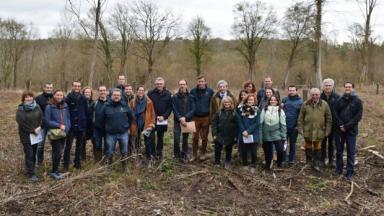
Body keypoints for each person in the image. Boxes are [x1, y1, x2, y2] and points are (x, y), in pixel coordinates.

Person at [297, 88, 332, 171]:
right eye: (313, 94)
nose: (315, 96)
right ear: (310, 95)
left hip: (319, 130)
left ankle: (316, 163)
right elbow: (300, 117)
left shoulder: (324, 104)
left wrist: (327, 130)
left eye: (316, 95)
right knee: (308, 146)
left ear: (319, 95)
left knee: (318, 146)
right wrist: (300, 128)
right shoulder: (305, 104)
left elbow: (329, 118)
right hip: (307, 129)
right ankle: (309, 162)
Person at [334, 82, 363, 181]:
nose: (347, 88)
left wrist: (346, 126)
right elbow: (335, 113)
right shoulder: (339, 100)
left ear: (353, 88)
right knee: (339, 151)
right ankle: (339, 170)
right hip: (340, 130)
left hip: (351, 131)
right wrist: (341, 125)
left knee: (351, 152)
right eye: (346, 87)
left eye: (349, 87)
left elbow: (358, 116)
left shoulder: (358, 101)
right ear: (344, 88)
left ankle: (350, 173)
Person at [103, 88, 134, 173]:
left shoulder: (125, 105)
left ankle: (125, 167)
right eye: (115, 95)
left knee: (124, 151)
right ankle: (109, 167)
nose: (116, 96)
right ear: (111, 96)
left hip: (123, 133)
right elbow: (102, 119)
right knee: (109, 151)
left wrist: (126, 126)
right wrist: (107, 128)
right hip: (110, 134)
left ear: (121, 96)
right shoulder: (106, 106)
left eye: (118, 95)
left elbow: (131, 117)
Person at [16, 91, 44, 181]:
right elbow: (22, 123)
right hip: (26, 136)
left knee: (34, 152)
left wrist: (40, 127)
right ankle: (30, 173)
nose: (28, 99)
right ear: (23, 99)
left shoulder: (37, 106)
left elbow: (41, 118)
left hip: (36, 135)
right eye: (26, 97)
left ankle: (32, 168)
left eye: (30, 97)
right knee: (29, 154)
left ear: (33, 98)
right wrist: (33, 130)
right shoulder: (21, 109)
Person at [45, 90, 71, 180]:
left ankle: (56, 170)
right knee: (57, 152)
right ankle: (54, 171)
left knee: (60, 151)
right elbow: (47, 121)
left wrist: (68, 127)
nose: (59, 96)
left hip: (64, 133)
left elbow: (68, 117)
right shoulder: (49, 107)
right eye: (57, 95)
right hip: (55, 133)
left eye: (61, 95)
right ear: (54, 96)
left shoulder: (65, 106)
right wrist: (59, 125)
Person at [130, 86, 156, 169]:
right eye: (139, 90)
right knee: (137, 142)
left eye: (142, 90)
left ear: (144, 92)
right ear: (136, 91)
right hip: (136, 124)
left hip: (146, 124)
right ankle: (139, 158)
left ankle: (149, 159)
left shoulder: (149, 102)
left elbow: (152, 114)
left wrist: (152, 124)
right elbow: (129, 113)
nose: (141, 92)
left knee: (147, 142)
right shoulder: (132, 102)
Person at [64, 81, 88, 170]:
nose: (77, 87)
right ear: (72, 86)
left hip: (81, 125)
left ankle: (77, 164)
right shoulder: (68, 98)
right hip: (70, 126)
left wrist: (84, 121)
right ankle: (66, 164)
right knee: (68, 146)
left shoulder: (83, 98)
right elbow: (65, 112)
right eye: (75, 86)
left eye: (79, 86)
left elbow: (86, 111)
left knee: (79, 146)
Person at [147, 77, 172, 161]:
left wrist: (164, 116)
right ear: (155, 84)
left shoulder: (168, 94)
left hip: (163, 120)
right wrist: (156, 116)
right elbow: (149, 106)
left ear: (163, 84)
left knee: (160, 136)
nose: (159, 85)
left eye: (160, 84)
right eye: (157, 84)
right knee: (151, 136)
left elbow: (169, 107)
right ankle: (152, 153)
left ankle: (159, 152)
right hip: (153, 118)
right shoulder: (150, 93)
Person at [190, 75, 214, 161]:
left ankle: (203, 153)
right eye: (199, 81)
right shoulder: (192, 91)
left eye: (202, 81)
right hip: (195, 118)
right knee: (194, 137)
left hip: (206, 118)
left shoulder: (210, 91)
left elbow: (213, 104)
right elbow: (190, 103)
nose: (201, 83)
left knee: (204, 137)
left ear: (205, 82)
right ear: (197, 82)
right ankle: (194, 154)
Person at [260, 95, 287, 169]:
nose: (273, 101)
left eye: (275, 100)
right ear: (269, 101)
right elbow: (261, 123)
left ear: (277, 101)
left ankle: (279, 164)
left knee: (280, 150)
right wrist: (261, 136)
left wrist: (283, 136)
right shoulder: (264, 109)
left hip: (277, 133)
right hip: (266, 133)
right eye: (271, 100)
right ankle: (268, 165)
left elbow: (283, 124)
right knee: (267, 152)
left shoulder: (280, 110)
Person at [172, 79, 195, 162]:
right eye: (180, 84)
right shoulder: (174, 97)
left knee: (185, 139)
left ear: (186, 85)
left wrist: (185, 117)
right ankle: (176, 154)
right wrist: (180, 118)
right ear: (179, 85)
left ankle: (185, 153)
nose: (182, 86)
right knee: (176, 138)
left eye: (184, 84)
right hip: (177, 121)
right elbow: (174, 109)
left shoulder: (191, 97)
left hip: (187, 120)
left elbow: (193, 109)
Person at [212, 96, 238, 169]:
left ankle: (227, 161)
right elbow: (214, 123)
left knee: (229, 149)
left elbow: (237, 124)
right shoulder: (219, 112)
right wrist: (214, 133)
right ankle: (217, 162)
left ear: (231, 103)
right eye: (225, 102)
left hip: (230, 135)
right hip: (219, 134)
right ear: (223, 103)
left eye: (228, 102)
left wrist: (236, 135)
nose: (227, 104)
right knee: (217, 149)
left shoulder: (234, 113)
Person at [237, 94, 260, 171]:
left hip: (253, 133)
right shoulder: (241, 109)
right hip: (243, 133)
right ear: (246, 101)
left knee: (253, 151)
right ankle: (245, 164)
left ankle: (253, 165)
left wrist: (248, 131)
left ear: (254, 101)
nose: (250, 101)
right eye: (249, 100)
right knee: (244, 151)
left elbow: (257, 122)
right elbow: (239, 121)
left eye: (252, 100)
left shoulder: (257, 110)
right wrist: (243, 130)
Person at [320, 78, 340, 167]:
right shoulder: (318, 97)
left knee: (332, 143)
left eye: (329, 85)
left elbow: (340, 111)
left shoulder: (337, 97)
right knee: (322, 143)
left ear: (332, 86)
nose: (327, 87)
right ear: (323, 86)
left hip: (334, 125)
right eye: (326, 85)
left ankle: (331, 160)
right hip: (321, 125)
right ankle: (322, 160)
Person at [281, 85, 303, 165]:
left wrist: (298, 126)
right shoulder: (284, 100)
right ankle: (283, 159)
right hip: (284, 126)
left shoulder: (300, 102)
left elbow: (301, 115)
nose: (291, 92)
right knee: (284, 143)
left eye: (293, 90)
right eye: (290, 90)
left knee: (292, 144)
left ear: (296, 91)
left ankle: (291, 159)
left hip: (294, 127)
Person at [35, 82, 53, 165]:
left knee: (55, 144)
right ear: (44, 88)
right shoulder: (38, 98)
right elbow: (35, 112)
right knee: (40, 145)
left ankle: (54, 161)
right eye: (47, 87)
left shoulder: (55, 97)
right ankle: (39, 162)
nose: (49, 89)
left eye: (50, 87)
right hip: (41, 126)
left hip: (53, 125)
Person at [92, 85, 108, 162]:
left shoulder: (110, 102)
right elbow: (90, 115)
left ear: (106, 91)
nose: (102, 92)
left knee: (107, 145)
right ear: (98, 92)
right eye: (101, 90)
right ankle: (98, 162)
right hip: (97, 128)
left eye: (104, 90)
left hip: (108, 128)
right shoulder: (95, 103)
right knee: (97, 145)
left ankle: (106, 161)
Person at [82, 87, 94, 161]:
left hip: (92, 126)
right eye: (86, 92)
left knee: (95, 142)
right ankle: (83, 158)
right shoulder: (80, 102)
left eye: (89, 92)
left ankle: (96, 158)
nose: (87, 94)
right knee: (82, 143)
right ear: (83, 93)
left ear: (91, 94)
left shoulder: (94, 102)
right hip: (83, 126)